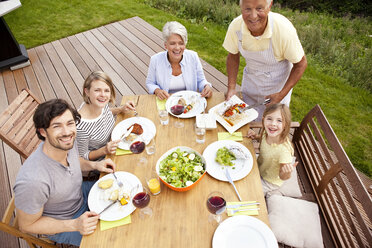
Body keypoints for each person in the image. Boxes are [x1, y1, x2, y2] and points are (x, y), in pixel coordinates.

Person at [13, 99, 116, 246]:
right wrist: (75, 225)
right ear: (43, 131)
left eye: (70, 123)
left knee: (126, 190)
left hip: (81, 195)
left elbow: (76, 161)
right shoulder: (33, 181)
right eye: (57, 126)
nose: (67, 132)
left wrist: (94, 164)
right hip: (66, 222)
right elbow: (27, 225)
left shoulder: (66, 143)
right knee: (113, 241)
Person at [223, 0, 307, 120]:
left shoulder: (283, 29)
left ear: (269, 6)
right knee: (246, 123)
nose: (253, 16)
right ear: (241, 8)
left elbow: (301, 64)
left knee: (272, 127)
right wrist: (231, 88)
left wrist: (280, 95)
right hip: (251, 83)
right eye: (247, 9)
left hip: (277, 88)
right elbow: (232, 56)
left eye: (259, 9)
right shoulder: (236, 27)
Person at [77, 71, 136, 161]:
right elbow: (82, 157)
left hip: (118, 142)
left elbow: (106, 112)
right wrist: (104, 150)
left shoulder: (98, 104)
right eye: (97, 90)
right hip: (104, 158)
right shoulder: (81, 126)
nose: (103, 95)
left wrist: (121, 109)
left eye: (106, 90)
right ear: (87, 92)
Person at [146, 21, 213, 100]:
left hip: (189, 103)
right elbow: (150, 83)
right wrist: (157, 91)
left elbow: (201, 80)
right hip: (165, 102)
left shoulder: (193, 57)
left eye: (181, 43)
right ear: (165, 45)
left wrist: (206, 86)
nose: (177, 48)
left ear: (185, 44)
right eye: (172, 43)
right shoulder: (155, 60)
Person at [247, 104, 297, 195]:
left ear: (285, 125)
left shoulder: (284, 151)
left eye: (279, 120)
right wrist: (255, 136)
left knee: (249, 191)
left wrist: (287, 173)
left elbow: (283, 177)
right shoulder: (267, 132)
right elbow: (262, 139)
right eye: (269, 119)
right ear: (263, 120)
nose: (273, 123)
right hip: (259, 167)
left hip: (269, 182)